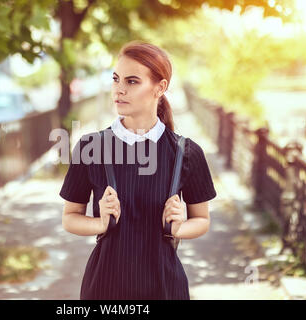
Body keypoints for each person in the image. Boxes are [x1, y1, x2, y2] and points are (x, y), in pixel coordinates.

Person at [59, 40, 217, 300]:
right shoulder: (91, 147)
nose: (119, 90)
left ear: (160, 88)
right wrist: (100, 222)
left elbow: (202, 220)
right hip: (105, 288)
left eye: (132, 82)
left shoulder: (185, 153)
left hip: (165, 288)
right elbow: (70, 218)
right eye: (115, 79)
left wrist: (178, 228)